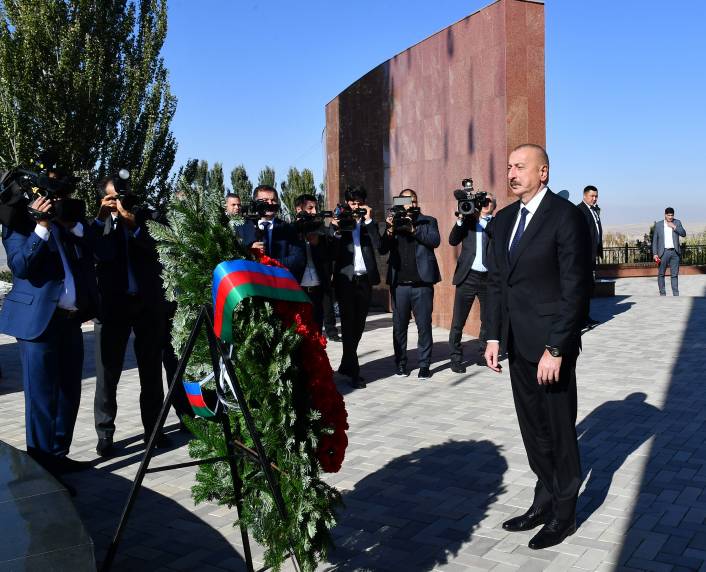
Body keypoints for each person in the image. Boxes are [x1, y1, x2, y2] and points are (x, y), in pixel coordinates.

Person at [484, 144, 591, 550]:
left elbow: (575, 288)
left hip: (551, 348)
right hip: (515, 344)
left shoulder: (566, 218)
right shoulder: (505, 219)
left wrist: (558, 348)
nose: (512, 173)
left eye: (520, 166)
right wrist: (493, 336)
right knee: (532, 431)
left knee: (560, 431)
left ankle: (565, 513)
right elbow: (497, 283)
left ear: (543, 172)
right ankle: (543, 499)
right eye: (508, 166)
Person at [0, 164, 98, 476]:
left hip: (69, 321)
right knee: (42, 399)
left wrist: (71, 226)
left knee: (69, 391)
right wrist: (41, 226)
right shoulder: (18, 224)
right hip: (37, 324)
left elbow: (94, 250)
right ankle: (42, 472)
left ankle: (58, 454)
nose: (54, 199)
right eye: (48, 193)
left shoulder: (66, 225)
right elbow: (21, 266)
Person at [92, 175, 170, 457]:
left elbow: (158, 250)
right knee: (107, 372)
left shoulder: (144, 219)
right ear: (103, 198)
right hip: (113, 307)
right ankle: (105, 434)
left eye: (121, 196)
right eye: (113, 198)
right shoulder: (99, 224)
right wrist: (103, 219)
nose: (118, 202)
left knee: (151, 371)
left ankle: (154, 431)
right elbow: (97, 252)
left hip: (147, 305)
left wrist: (132, 224)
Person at [380, 189, 440, 379]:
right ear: (398, 203)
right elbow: (382, 249)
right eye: (406, 201)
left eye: (413, 201)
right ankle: (401, 364)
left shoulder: (427, 220)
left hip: (422, 283)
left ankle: (424, 365)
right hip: (399, 284)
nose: (410, 204)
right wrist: (390, 229)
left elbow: (435, 240)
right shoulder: (393, 222)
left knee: (424, 326)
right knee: (399, 327)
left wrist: (413, 228)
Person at [329, 186, 381, 388]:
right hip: (346, 281)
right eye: (352, 203)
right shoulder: (342, 223)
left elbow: (380, 245)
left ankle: (345, 364)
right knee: (349, 326)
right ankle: (354, 373)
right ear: (346, 204)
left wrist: (369, 221)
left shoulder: (369, 224)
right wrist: (336, 229)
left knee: (358, 326)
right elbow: (332, 251)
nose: (356, 206)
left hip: (365, 280)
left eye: (359, 202)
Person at [448, 192, 496, 373]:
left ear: (494, 205)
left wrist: (483, 218)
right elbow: (453, 240)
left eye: (489, 201)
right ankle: (455, 358)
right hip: (467, 276)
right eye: (483, 200)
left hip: (488, 278)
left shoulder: (496, 223)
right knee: (458, 320)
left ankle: (484, 353)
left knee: (487, 319)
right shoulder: (468, 222)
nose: (485, 203)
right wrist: (461, 219)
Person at [235, 185, 305, 281]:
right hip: (252, 285)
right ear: (255, 202)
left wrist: (270, 263)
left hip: (280, 285)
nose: (270, 203)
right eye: (265, 200)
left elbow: (298, 259)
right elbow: (233, 257)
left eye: (273, 200)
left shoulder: (288, 229)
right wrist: (249, 250)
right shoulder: (241, 227)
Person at [294, 193, 331, 331]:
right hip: (298, 290)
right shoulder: (290, 230)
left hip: (317, 289)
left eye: (315, 208)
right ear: (299, 209)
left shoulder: (320, 229)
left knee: (316, 332)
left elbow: (328, 257)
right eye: (310, 208)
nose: (314, 212)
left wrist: (317, 245)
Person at [576, 185, 603, 326]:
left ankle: (586, 316)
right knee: (582, 289)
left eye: (596, 196)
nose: (594, 198)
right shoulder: (580, 210)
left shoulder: (594, 211)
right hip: (583, 257)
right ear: (585, 196)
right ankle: (580, 318)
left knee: (588, 288)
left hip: (591, 256)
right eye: (592, 196)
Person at [652, 207, 686, 296]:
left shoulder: (677, 222)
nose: (670, 217)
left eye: (672, 215)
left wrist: (674, 227)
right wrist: (655, 253)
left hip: (675, 253)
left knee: (674, 275)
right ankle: (662, 293)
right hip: (663, 253)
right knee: (661, 274)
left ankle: (676, 294)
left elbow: (683, 233)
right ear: (665, 215)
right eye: (668, 215)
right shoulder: (659, 225)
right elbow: (655, 240)